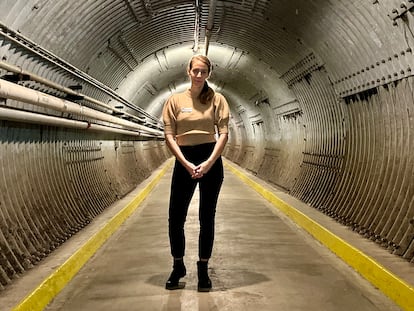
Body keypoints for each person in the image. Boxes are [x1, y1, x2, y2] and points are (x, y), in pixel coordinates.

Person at [162, 54, 229, 292]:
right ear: (188, 71)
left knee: (206, 217)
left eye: (203, 71)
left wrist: (210, 162)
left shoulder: (217, 99)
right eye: (195, 71)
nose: (199, 75)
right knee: (175, 217)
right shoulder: (175, 100)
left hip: (211, 158)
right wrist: (185, 163)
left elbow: (223, 133)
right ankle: (178, 265)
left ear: (208, 74)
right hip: (184, 159)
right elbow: (169, 135)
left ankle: (203, 269)